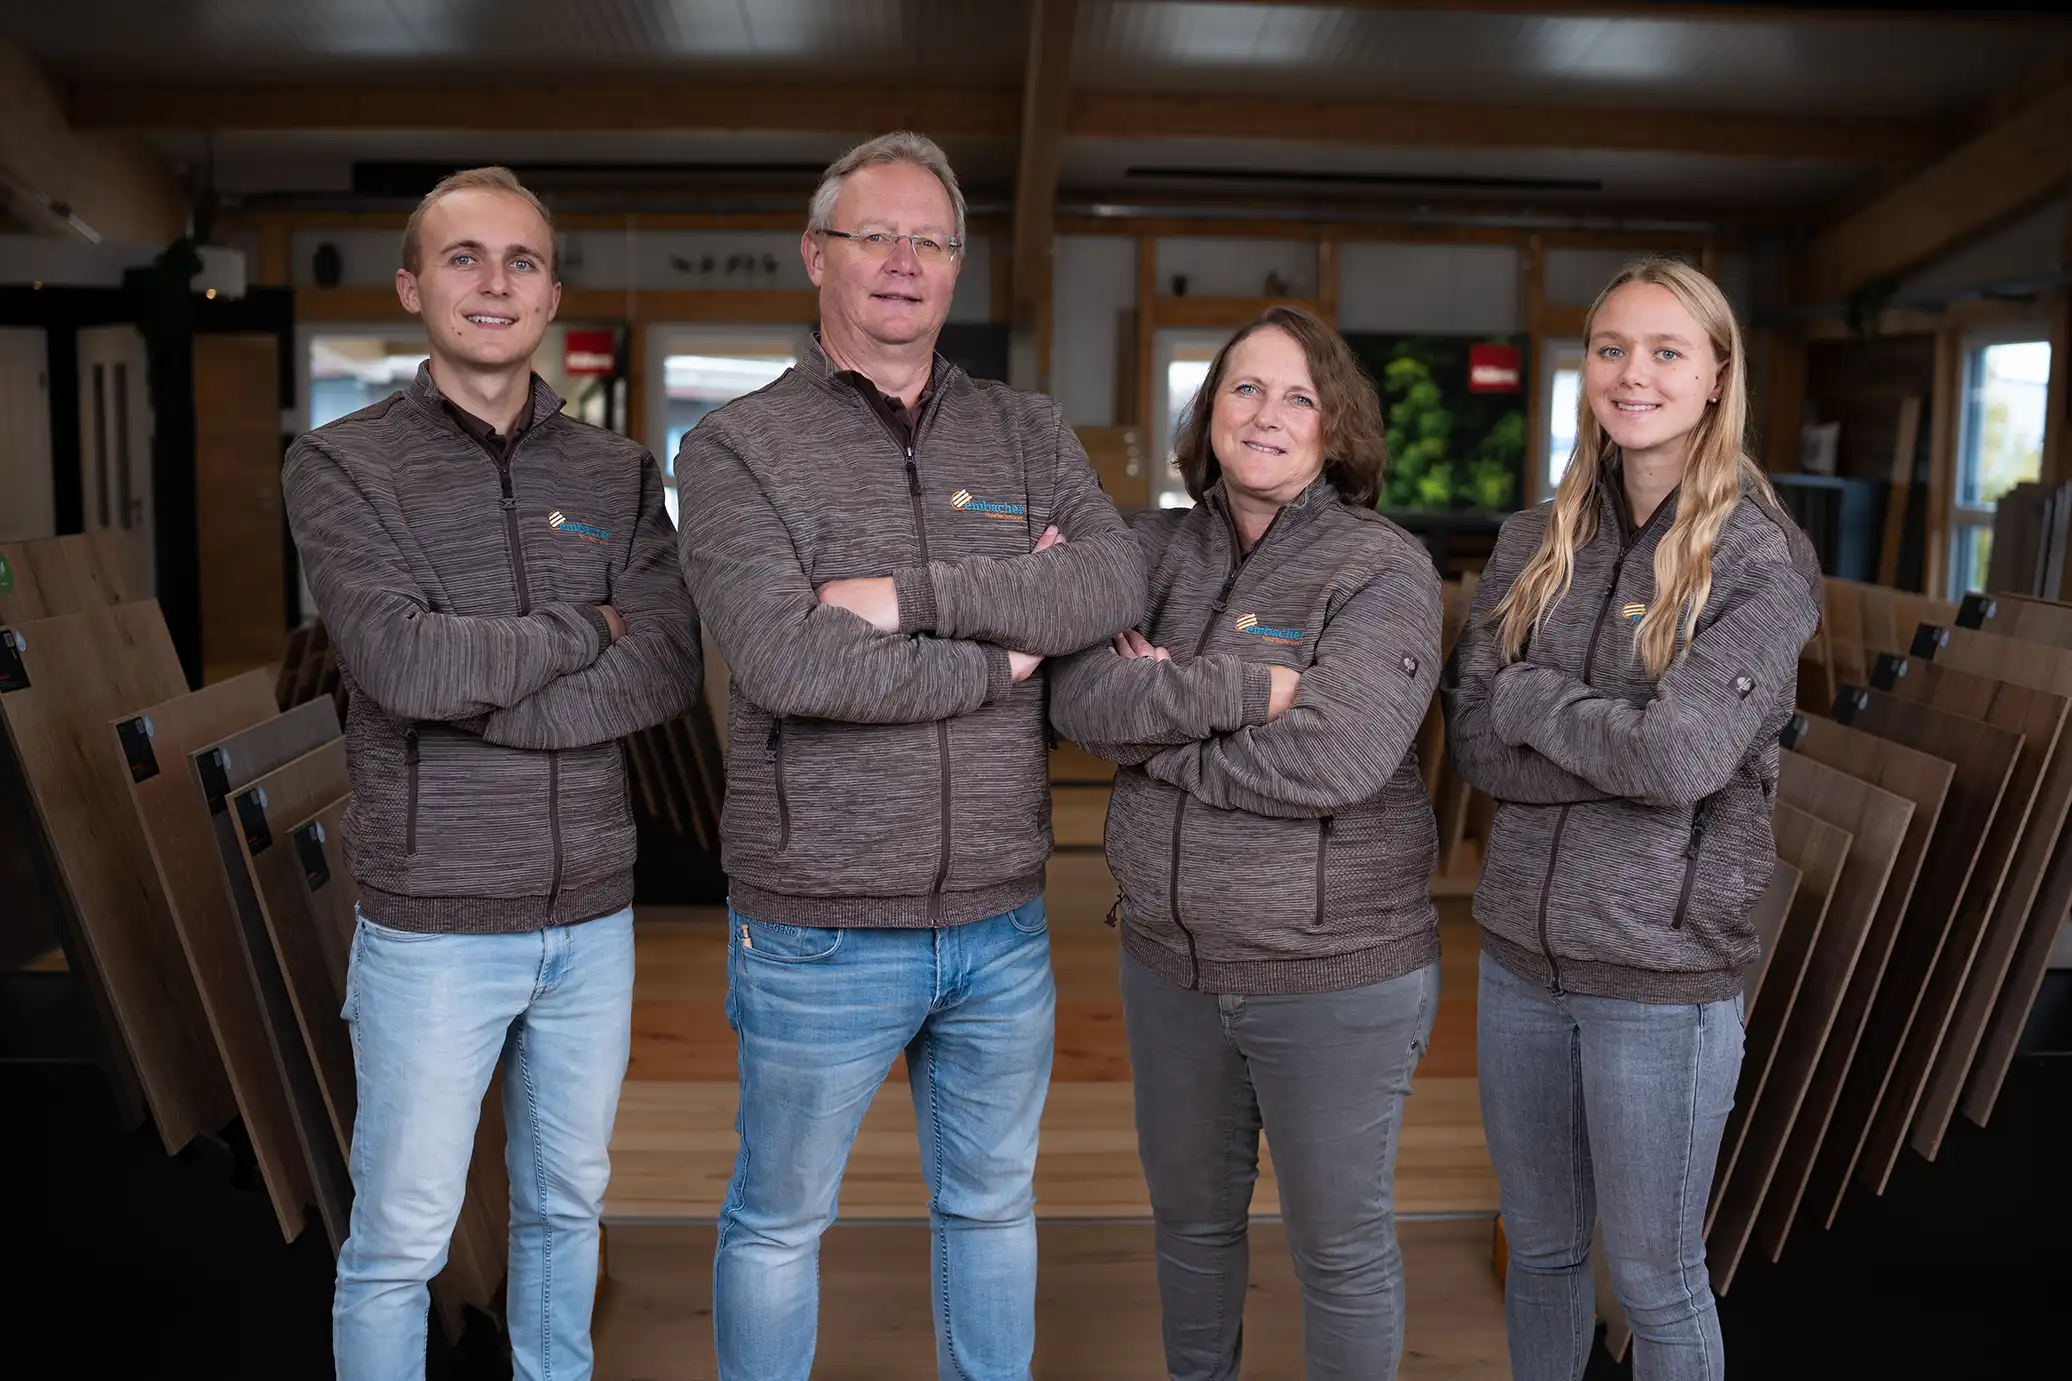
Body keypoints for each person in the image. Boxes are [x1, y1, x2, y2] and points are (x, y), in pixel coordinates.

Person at [674, 131, 1145, 1381]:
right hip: (817, 926)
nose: (902, 262)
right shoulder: (732, 449)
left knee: (990, 1208)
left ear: (955, 267)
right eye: (873, 235)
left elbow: (1105, 579)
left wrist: (901, 593)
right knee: (779, 1222)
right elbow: (789, 664)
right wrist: (999, 651)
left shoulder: (1025, 431)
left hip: (999, 919)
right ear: (815, 255)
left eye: (928, 240)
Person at [282, 166, 702, 1381]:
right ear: (414, 286)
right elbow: (402, 664)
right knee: (400, 1239)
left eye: (521, 260)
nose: (495, 283)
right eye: (465, 258)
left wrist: (484, 700)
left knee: (567, 1209)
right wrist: (585, 629)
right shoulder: (344, 465)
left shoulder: (617, 473)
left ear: (552, 292)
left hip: (589, 918)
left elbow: (669, 663)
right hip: (431, 927)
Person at [1442, 258, 1822, 1381]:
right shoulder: (1530, 544)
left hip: (1659, 983)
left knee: (1655, 1279)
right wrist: (1604, 738)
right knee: (1546, 1254)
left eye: (1664, 351)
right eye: (1609, 348)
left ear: (1715, 376)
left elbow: (1679, 756)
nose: (1632, 373)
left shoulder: (1757, 559)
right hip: (1517, 960)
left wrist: (1532, 703)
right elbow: (1471, 745)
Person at [1049, 305, 1444, 1380]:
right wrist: (1241, 694)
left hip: (1331, 976)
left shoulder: (1377, 568)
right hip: (1167, 968)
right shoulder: (1144, 548)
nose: (1266, 415)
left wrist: (1155, 722)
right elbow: (1079, 700)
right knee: (1189, 1231)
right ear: (1209, 410)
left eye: (1297, 396)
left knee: (1340, 1246)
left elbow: (1333, 759)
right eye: (1244, 388)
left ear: (1335, 428)